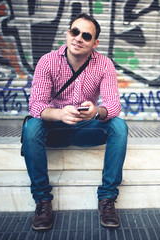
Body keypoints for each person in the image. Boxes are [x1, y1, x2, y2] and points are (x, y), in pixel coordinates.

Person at [22, 13, 128, 231]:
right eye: (75, 31)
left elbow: (113, 107)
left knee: (119, 126)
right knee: (32, 126)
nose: (79, 38)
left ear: (94, 43)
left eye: (86, 36)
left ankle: (107, 199)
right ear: (67, 33)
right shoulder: (48, 61)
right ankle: (43, 201)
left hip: (87, 128)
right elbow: (36, 106)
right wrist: (59, 114)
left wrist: (96, 111)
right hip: (56, 129)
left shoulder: (104, 64)